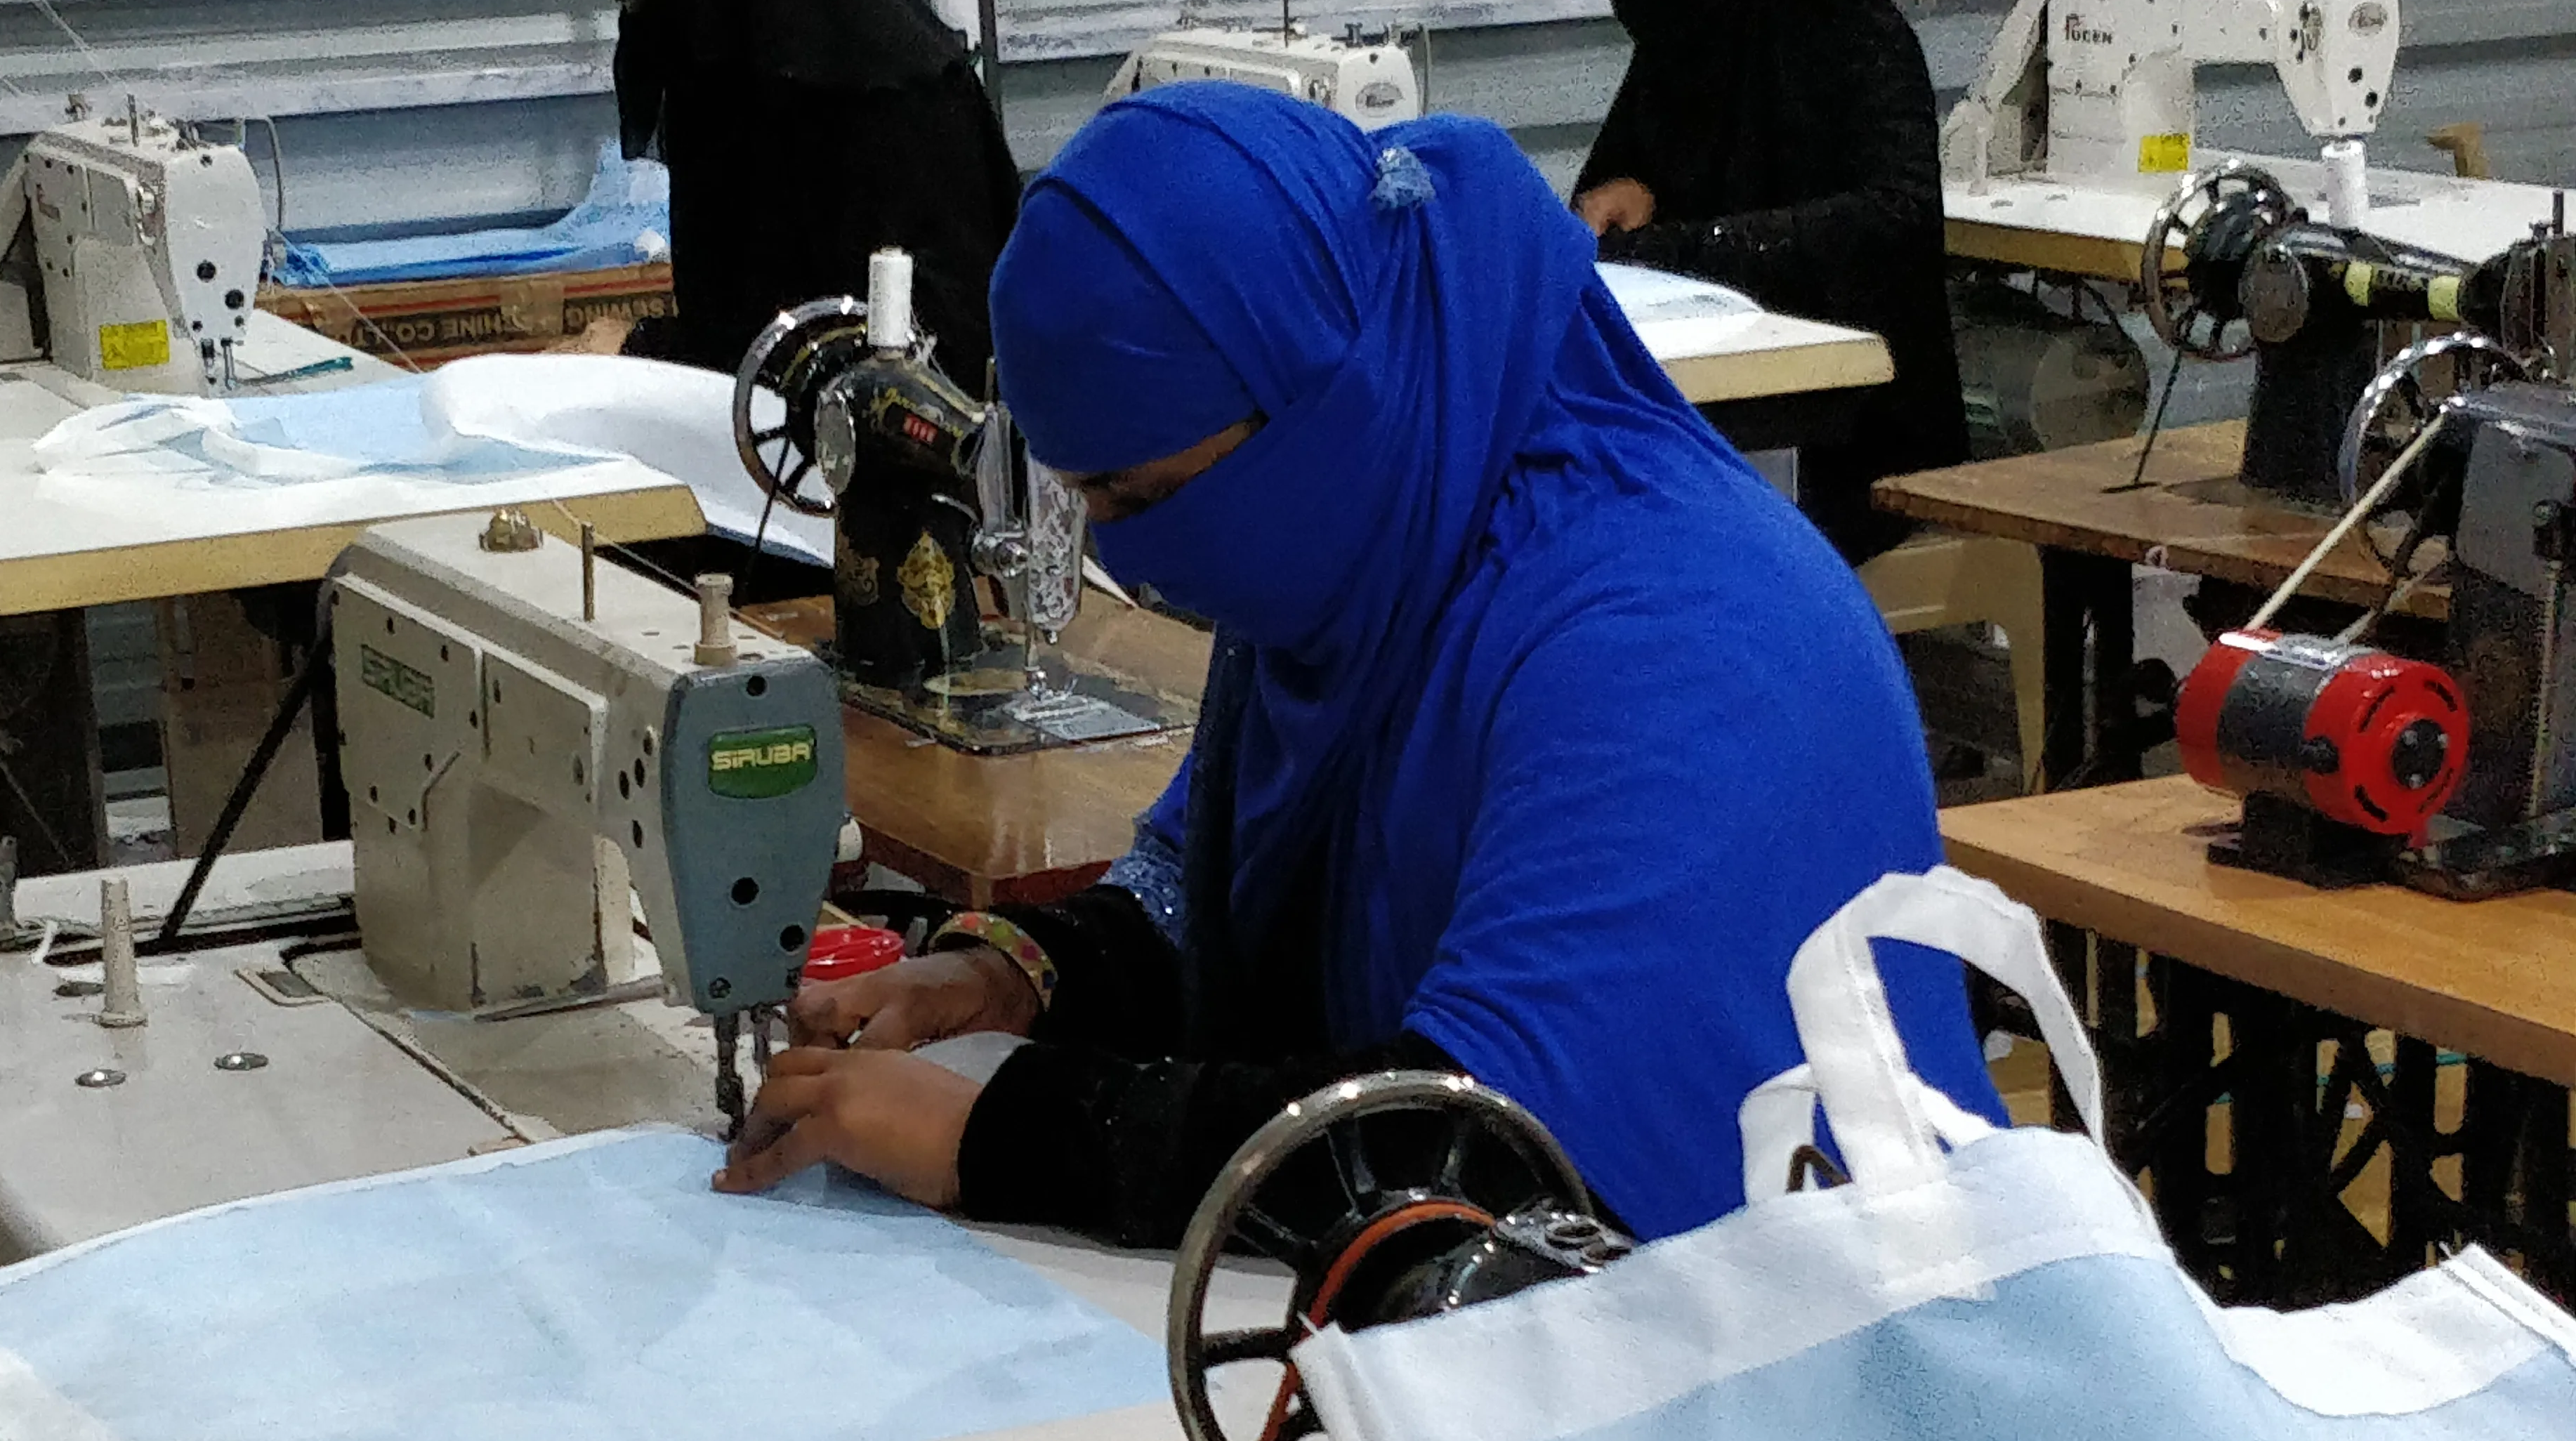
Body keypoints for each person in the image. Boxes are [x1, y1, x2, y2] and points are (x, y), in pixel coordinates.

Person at [714, 82, 1996, 1246]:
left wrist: (999, 1134)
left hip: (1786, 1361)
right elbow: (1201, 889)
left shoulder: (1682, 638)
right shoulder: (1368, 550)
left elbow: (1477, 1150)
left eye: (1135, 493)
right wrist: (1009, 977)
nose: (1127, 555)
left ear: (1315, 403)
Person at [1562, 0, 1969, 563]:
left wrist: (1680, 242)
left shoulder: (1860, 47)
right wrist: (1626, 202)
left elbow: (1893, 225)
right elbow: (1631, 210)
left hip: (1857, 447)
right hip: (1708, 437)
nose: (1630, 4)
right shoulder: (1679, 49)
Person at [552, 0, 1023, 383]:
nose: (642, 21)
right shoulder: (731, 77)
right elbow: (742, 310)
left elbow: (908, 343)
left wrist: (645, 348)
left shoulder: (889, 105)